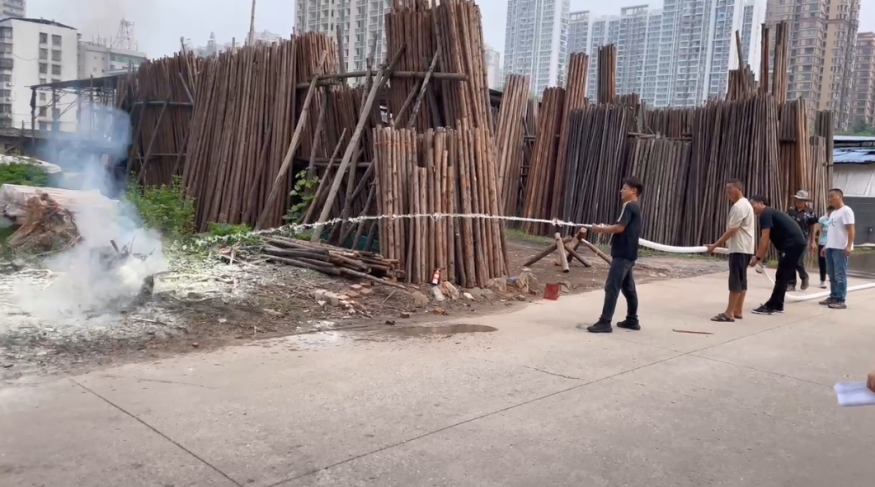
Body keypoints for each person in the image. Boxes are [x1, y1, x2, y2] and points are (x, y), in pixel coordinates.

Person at [579, 177, 644, 334]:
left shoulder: (629, 206)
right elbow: (621, 227)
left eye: (624, 188)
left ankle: (605, 322)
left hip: (622, 254)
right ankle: (632, 319)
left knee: (612, 287)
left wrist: (601, 229)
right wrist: (607, 228)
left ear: (633, 191)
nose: (621, 191)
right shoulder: (635, 207)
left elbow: (620, 228)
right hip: (629, 253)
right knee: (628, 288)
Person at [748, 195, 807, 315]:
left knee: (782, 275)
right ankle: (778, 305)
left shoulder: (765, 214)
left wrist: (757, 257)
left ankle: (772, 306)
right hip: (794, 243)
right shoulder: (770, 213)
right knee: (782, 275)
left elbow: (764, 238)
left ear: (761, 203)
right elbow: (767, 240)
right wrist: (761, 258)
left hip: (792, 243)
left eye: (753, 205)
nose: (752, 208)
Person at [706, 179, 755, 322]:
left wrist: (715, 245)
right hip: (745, 248)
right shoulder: (745, 205)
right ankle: (738, 310)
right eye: (726, 190)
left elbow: (733, 230)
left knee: (735, 280)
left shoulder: (739, 206)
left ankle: (729, 313)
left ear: (739, 189)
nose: (728, 192)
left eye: (730, 189)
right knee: (741, 280)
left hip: (739, 248)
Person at [821, 188, 855, 309]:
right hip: (831, 246)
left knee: (840, 274)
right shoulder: (834, 213)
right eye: (829, 197)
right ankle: (833, 296)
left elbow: (851, 229)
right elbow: (831, 231)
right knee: (831, 274)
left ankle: (841, 299)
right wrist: (826, 245)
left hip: (840, 248)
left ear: (840, 197)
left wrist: (849, 246)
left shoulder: (846, 211)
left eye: (832, 196)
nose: (830, 199)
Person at [786, 190, 818, 291]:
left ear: (805, 201)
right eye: (796, 200)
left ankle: (804, 276)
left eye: (800, 200)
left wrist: (813, 241)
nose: (798, 202)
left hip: (803, 240)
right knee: (790, 261)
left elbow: (813, 227)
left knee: (798, 261)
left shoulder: (810, 212)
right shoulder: (790, 211)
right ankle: (791, 284)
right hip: (790, 239)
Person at [812, 206, 834, 289]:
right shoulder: (823, 219)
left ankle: (832, 278)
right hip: (823, 243)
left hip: (833, 243)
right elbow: (815, 229)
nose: (831, 213)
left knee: (833, 262)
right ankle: (823, 280)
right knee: (822, 262)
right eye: (830, 212)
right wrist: (813, 240)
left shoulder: (837, 219)